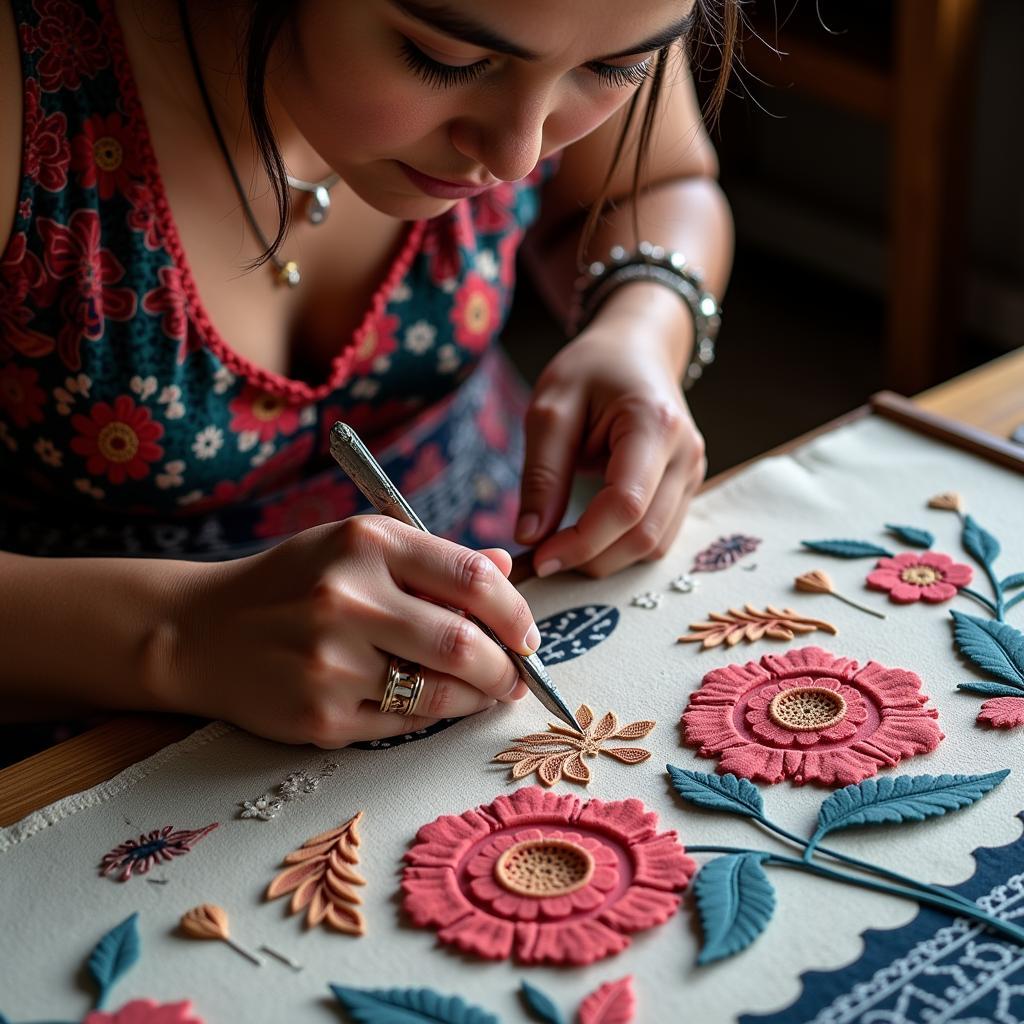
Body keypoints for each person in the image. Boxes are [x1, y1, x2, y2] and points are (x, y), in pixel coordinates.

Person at [0, 0, 737, 754]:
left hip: (509, 583)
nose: (518, 156)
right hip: (93, 727)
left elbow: (653, 183)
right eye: (444, 60)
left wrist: (642, 326)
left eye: (614, 69)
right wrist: (175, 635)